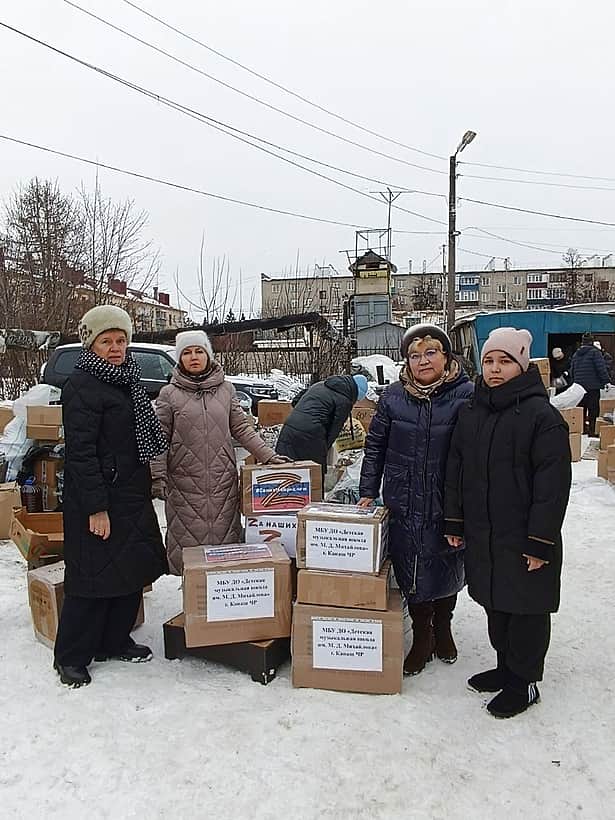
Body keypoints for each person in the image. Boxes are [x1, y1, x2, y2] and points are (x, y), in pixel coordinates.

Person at [445, 327, 571, 718]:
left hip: (525, 535)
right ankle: (505, 668)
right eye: (488, 361)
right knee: (496, 604)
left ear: (522, 364)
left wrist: (540, 542)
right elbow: (456, 470)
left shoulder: (542, 418)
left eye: (505, 361)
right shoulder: (471, 413)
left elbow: (552, 487)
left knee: (526, 611)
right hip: (485, 533)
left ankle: (525, 681)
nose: (495, 369)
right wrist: (455, 521)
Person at [54, 306, 169, 688]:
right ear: (92, 343)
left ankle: (114, 639)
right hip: (98, 495)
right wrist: (96, 508)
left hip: (130, 492)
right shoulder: (82, 385)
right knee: (90, 577)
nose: (116, 347)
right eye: (107, 341)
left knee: (129, 568)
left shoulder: (128, 378)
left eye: (121, 340)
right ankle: (70, 656)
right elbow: (81, 455)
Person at [358, 325, 473, 675]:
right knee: (411, 563)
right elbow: (375, 445)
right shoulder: (393, 397)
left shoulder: (467, 394)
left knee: (448, 560)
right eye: (414, 355)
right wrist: (367, 491)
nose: (423, 360)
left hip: (449, 497)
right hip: (403, 497)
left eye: (431, 352)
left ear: (446, 356)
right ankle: (423, 633)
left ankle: (445, 624)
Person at [151, 331, 286, 575]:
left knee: (225, 549)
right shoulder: (168, 395)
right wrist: (157, 476)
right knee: (189, 550)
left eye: (199, 351)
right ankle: (193, 597)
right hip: (184, 485)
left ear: (208, 355)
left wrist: (268, 456)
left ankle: (224, 600)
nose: (193, 357)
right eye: (187, 352)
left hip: (222, 482)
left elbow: (242, 429)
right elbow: (159, 438)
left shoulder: (226, 390)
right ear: (179, 358)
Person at [275, 374, 369, 481]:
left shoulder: (320, 384)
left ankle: (284, 495)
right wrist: (325, 448)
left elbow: (295, 400)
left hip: (290, 426)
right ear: (355, 393)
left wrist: (304, 414)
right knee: (314, 473)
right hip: (312, 434)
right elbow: (334, 430)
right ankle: (314, 497)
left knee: (285, 469)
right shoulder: (344, 401)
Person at [570, 332, 610, 436]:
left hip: (579, 386)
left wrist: (575, 382)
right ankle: (592, 431)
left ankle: (581, 429)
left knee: (581, 409)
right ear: (591, 342)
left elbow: (572, 370)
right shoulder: (595, 353)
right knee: (593, 410)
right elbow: (601, 368)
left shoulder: (576, 354)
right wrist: (606, 381)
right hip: (593, 387)